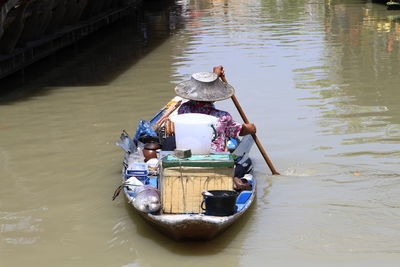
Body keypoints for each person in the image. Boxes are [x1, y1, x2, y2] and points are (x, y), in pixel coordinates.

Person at [175, 66, 256, 152]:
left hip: (189, 153)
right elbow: (239, 131)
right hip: (214, 158)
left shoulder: (183, 109)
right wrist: (251, 128)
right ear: (214, 97)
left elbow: (204, 89)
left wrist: (215, 75)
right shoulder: (223, 117)